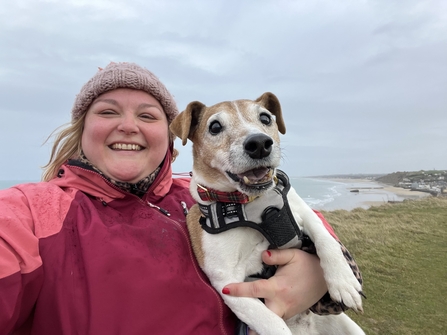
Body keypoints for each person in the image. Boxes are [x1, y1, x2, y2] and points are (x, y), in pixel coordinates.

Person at [0, 62, 361, 335]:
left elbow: (298, 215)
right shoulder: (32, 211)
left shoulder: (204, 192)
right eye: (108, 111)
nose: (128, 125)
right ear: (82, 129)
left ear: (173, 136)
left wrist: (318, 272)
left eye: (147, 115)